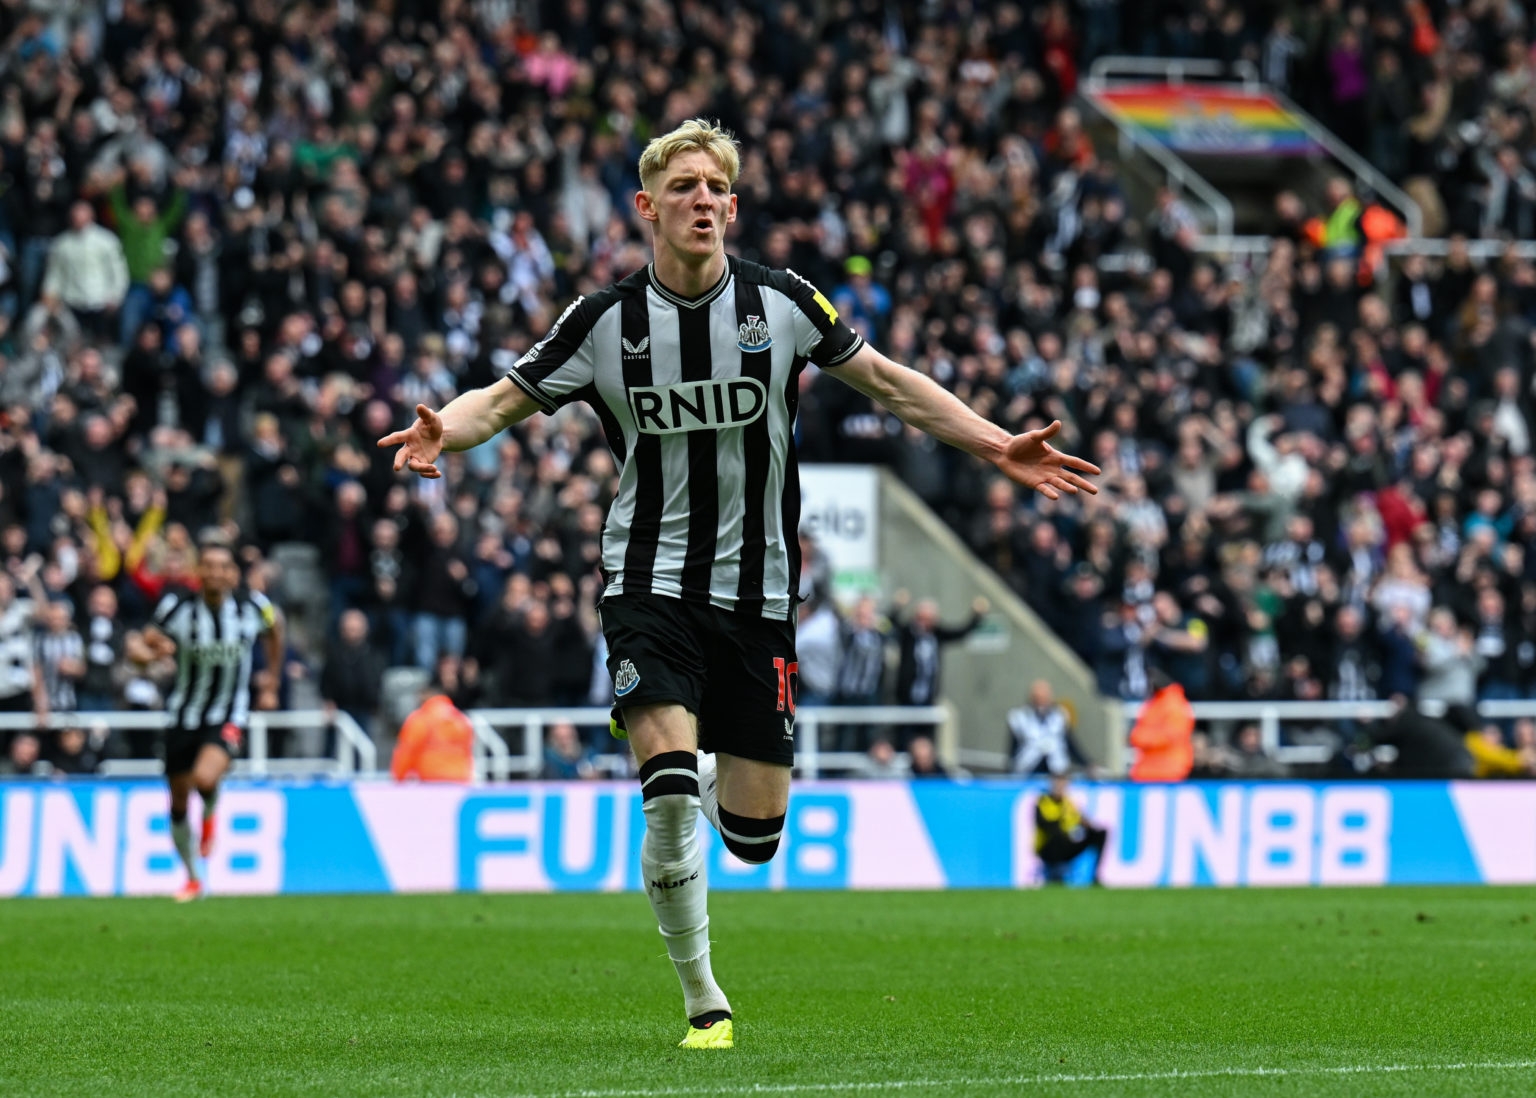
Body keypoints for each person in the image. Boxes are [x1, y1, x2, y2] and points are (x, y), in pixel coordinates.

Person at [379, 118, 1099, 1051]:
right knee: (670, 799)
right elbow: (505, 397)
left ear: (733, 204)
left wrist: (998, 442)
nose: (704, 202)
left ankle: (701, 768)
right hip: (646, 582)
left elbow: (888, 384)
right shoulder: (605, 323)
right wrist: (448, 431)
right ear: (648, 207)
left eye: (716, 187)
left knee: (754, 839)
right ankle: (703, 998)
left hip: (760, 596)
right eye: (683, 187)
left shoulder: (784, 304)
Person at [141, 536, 282, 903]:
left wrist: (272, 681)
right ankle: (192, 878)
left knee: (204, 776)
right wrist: (150, 652)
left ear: (234, 574)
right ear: (198, 571)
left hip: (229, 713)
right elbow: (141, 642)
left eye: (224, 567)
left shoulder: (253, 606)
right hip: (183, 715)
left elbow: (275, 628)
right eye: (209, 566)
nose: (216, 573)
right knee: (176, 801)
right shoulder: (178, 607)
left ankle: (211, 815)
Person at [1034, 772, 1108, 885]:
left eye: (1063, 785)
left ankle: (1096, 876)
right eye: (1057, 785)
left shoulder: (1068, 803)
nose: (1060, 788)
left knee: (1100, 833)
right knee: (1057, 835)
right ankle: (1055, 872)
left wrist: (1086, 825)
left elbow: (1082, 820)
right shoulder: (1042, 802)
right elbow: (1045, 825)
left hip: (1066, 844)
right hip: (1048, 848)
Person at [1007, 679, 1089, 775]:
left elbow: (1070, 744)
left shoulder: (1060, 715)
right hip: (1028, 772)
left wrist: (1087, 764)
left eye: (1045, 697)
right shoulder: (1020, 717)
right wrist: (1009, 772)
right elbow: (1013, 748)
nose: (1042, 700)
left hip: (1056, 773)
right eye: (1039, 697)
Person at [390, 690, 475, 783]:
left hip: (432, 781)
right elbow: (467, 751)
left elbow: (407, 751)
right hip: (460, 779)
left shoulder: (420, 718)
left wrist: (399, 777)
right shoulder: (461, 719)